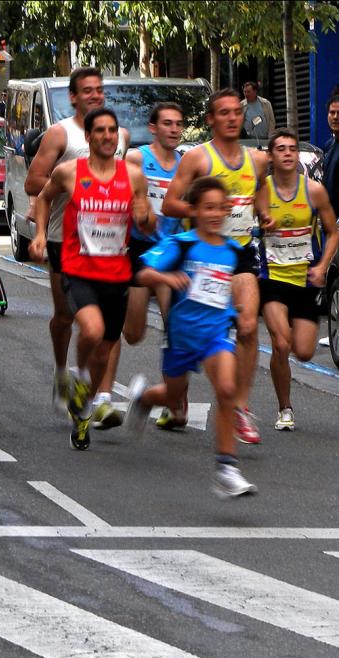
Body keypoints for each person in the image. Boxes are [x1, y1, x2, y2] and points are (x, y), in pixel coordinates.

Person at [29, 107, 155, 450]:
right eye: (99, 130)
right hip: (78, 268)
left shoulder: (134, 176)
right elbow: (43, 199)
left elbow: (147, 223)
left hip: (117, 273)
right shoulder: (69, 172)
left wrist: (145, 217)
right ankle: (81, 375)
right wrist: (40, 235)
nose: (107, 136)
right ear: (88, 137)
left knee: (104, 351)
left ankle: (83, 407)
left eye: (112, 130)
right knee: (92, 330)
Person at [126, 177, 259, 498]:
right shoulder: (182, 244)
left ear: (227, 210)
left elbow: (238, 285)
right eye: (207, 208)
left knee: (226, 389)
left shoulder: (233, 250)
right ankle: (144, 399)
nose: (214, 214)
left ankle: (226, 468)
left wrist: (241, 312)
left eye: (220, 208)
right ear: (194, 210)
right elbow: (142, 272)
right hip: (182, 336)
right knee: (173, 397)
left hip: (216, 334)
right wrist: (167, 277)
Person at [162, 87, 272, 445]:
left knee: (248, 326)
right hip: (201, 257)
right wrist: (205, 212)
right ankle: (177, 391)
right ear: (211, 119)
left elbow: (260, 190)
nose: (232, 118)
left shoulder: (257, 160)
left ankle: (239, 405)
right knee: (191, 334)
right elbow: (169, 204)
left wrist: (264, 213)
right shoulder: (197, 158)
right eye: (223, 113)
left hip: (239, 252)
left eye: (236, 112)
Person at [23, 66, 131, 425]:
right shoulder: (60, 134)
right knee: (66, 316)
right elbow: (34, 183)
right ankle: (61, 372)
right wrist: (76, 183)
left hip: (109, 245)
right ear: (73, 97)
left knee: (107, 325)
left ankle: (102, 396)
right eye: (87, 90)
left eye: (99, 90)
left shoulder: (120, 135)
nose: (95, 95)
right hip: (63, 238)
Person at [260, 129, 339, 431]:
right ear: (271, 156)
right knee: (281, 344)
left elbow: (333, 232)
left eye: (292, 148)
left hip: (305, 279)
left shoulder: (314, 191)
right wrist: (261, 223)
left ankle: (285, 357)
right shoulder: (262, 190)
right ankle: (285, 408)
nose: (287, 153)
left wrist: (322, 267)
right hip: (272, 277)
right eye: (281, 148)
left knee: (303, 352)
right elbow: (247, 222)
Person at [122, 102, 187, 429]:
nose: (174, 129)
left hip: (170, 252)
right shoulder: (137, 158)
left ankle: (177, 403)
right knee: (133, 334)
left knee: (175, 327)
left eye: (178, 124)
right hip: (140, 249)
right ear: (153, 128)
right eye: (167, 123)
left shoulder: (186, 164)